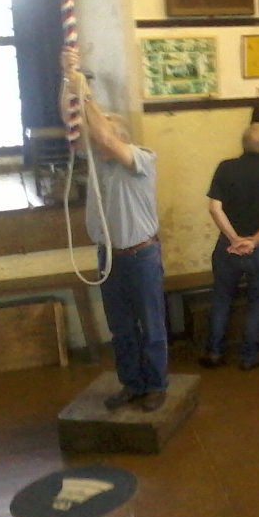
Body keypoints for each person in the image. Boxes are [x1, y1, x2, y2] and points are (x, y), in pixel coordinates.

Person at [61, 50, 168, 413]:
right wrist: (69, 79)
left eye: (101, 136)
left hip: (141, 255)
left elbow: (106, 139)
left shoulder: (141, 159)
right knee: (121, 328)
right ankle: (132, 384)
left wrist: (86, 92)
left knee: (151, 325)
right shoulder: (98, 163)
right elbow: (73, 127)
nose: (95, 142)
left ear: (122, 138)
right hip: (109, 257)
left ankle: (156, 386)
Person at [200, 123, 259, 371]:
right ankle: (250, 356)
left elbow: (214, 208)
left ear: (243, 144)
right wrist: (254, 241)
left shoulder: (225, 168)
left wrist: (234, 239)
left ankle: (214, 352)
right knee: (258, 302)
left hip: (227, 248)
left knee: (221, 298)